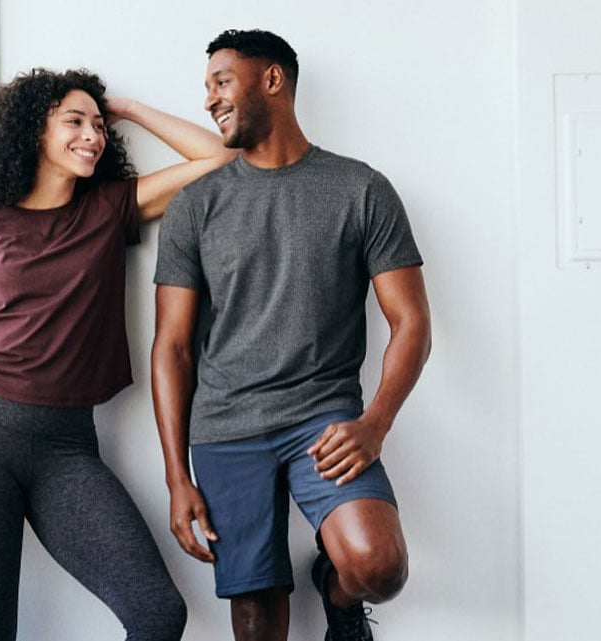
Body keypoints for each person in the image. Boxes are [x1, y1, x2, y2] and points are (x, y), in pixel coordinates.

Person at [0, 67, 232, 641]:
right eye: (74, 121)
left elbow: (219, 161)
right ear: (36, 131)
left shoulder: (108, 209)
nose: (93, 134)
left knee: (158, 614)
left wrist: (128, 108)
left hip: (66, 447)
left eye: (98, 124)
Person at [151, 30, 432, 641]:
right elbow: (170, 347)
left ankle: (336, 593)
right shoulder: (194, 207)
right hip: (226, 428)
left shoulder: (361, 189)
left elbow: (410, 322)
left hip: (323, 418)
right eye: (207, 87)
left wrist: (376, 423)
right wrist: (177, 478)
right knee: (255, 627)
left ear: (272, 80)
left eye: (222, 82)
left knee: (379, 567)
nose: (209, 100)